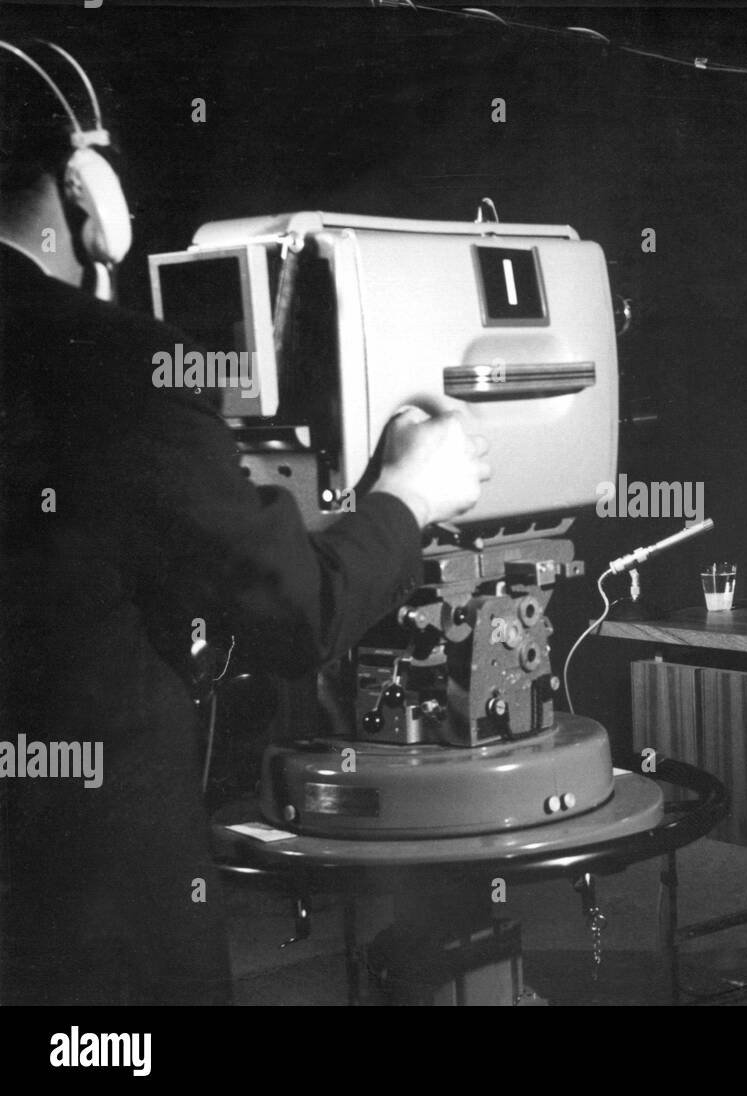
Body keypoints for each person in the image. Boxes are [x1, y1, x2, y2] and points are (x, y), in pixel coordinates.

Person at [0, 41, 490, 1004]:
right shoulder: (104, 363)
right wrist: (407, 498)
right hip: (89, 919)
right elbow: (293, 615)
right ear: (86, 196)